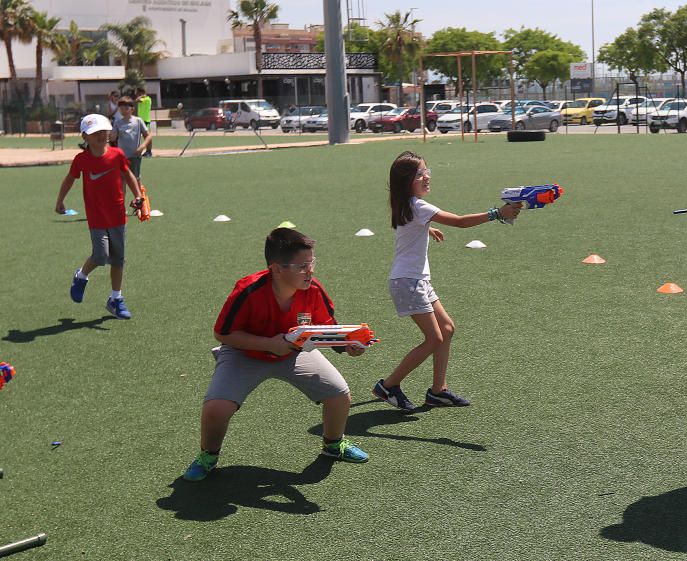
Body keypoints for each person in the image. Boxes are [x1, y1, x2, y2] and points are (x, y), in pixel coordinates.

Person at [181, 228, 369, 482]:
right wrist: (269, 344)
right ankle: (208, 456)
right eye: (302, 266)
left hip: (294, 351)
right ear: (277, 269)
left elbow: (326, 328)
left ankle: (333, 445)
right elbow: (223, 334)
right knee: (216, 409)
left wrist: (347, 346)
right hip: (244, 353)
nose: (310, 270)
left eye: (311, 262)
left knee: (339, 395)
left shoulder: (313, 290)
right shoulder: (248, 290)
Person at [373, 151, 521, 412]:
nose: (427, 176)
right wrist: (498, 213)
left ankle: (438, 391)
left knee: (447, 330)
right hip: (409, 282)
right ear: (406, 180)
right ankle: (389, 385)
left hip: (415, 280)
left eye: (427, 170)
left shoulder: (408, 204)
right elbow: (461, 223)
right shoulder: (418, 206)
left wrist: (427, 228)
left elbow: (411, 225)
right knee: (433, 339)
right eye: (420, 174)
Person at [55, 114, 143, 320]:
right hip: (96, 217)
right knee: (100, 255)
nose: (102, 135)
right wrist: (60, 201)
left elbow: (128, 174)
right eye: (96, 133)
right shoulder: (81, 160)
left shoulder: (117, 154)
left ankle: (115, 299)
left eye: (104, 131)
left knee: (118, 259)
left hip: (117, 215)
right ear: (85, 136)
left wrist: (138, 195)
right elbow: (70, 179)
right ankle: (81, 276)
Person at [110, 96, 151, 179]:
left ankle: (139, 192)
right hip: (122, 157)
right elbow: (112, 139)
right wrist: (111, 134)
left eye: (126, 108)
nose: (123, 110)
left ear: (132, 109)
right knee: (122, 179)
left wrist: (142, 147)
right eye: (121, 108)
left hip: (135, 156)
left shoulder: (138, 121)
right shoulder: (117, 123)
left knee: (136, 179)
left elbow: (148, 136)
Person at [135, 87, 153, 157]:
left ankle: (149, 151)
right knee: (139, 136)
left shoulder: (147, 99)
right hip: (140, 120)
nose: (136, 94)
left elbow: (137, 100)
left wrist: (142, 95)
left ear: (140, 92)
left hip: (145, 120)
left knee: (147, 136)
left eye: (137, 93)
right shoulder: (142, 99)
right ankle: (141, 150)